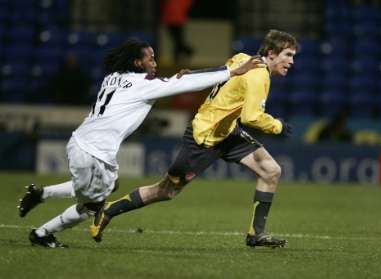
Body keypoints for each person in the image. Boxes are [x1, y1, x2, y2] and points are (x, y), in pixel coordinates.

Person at [18, 38, 263, 248]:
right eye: (151, 59)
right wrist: (232, 72)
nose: (155, 63)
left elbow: (165, 84)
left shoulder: (113, 77)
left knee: (103, 191)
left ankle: (43, 200)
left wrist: (179, 78)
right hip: (91, 151)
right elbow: (182, 85)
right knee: (93, 205)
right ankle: (42, 231)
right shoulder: (142, 86)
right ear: (137, 63)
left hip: (88, 146)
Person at [90, 30, 297, 248]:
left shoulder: (244, 58)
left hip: (226, 131)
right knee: (166, 191)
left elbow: (222, 71)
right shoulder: (259, 76)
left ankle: (256, 234)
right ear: (272, 53)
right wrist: (278, 126)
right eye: (288, 55)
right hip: (205, 137)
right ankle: (108, 210)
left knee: (270, 170)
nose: (291, 62)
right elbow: (252, 117)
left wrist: (194, 74)